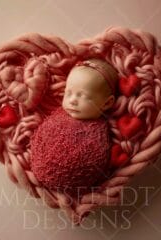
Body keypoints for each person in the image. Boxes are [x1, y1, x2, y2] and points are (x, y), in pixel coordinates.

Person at [30, 58, 119, 197]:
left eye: (83, 96)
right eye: (68, 93)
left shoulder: (99, 133)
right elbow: (41, 135)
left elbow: (98, 159)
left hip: (76, 183)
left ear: (107, 103)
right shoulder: (58, 115)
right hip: (39, 169)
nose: (72, 100)